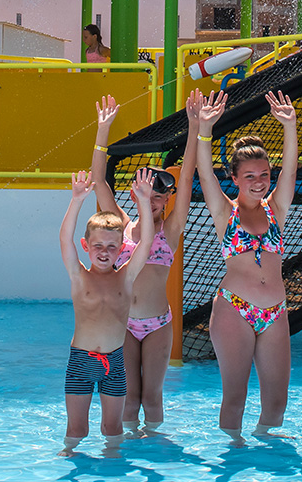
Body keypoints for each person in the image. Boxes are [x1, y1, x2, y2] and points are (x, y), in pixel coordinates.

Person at [189, 86, 300, 441]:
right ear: (235, 178)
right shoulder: (226, 213)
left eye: (264, 175)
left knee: (277, 401)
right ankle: (233, 453)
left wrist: (290, 126)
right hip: (234, 309)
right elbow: (204, 175)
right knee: (235, 397)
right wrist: (205, 130)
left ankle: (266, 449)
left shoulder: (276, 209)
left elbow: (291, 172)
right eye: (249, 176)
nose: (259, 182)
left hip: (275, 311)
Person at [88, 93, 192, 431]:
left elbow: (188, 177)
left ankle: (155, 454)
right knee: (129, 396)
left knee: (153, 397)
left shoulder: (171, 230)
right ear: (134, 194)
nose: (157, 201)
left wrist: (196, 128)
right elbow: (98, 180)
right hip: (125, 322)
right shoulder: (119, 224)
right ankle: (127, 450)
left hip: (158, 323)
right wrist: (103, 131)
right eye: (149, 194)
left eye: (162, 196)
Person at [58, 165, 158, 454]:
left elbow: (147, 242)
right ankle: (69, 457)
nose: (104, 252)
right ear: (85, 246)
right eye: (97, 245)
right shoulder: (79, 276)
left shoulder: (125, 278)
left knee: (112, 429)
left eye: (112, 247)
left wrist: (142, 202)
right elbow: (64, 240)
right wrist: (76, 200)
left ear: (121, 248)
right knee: (78, 429)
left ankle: (112, 465)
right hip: (80, 362)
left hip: (114, 364)